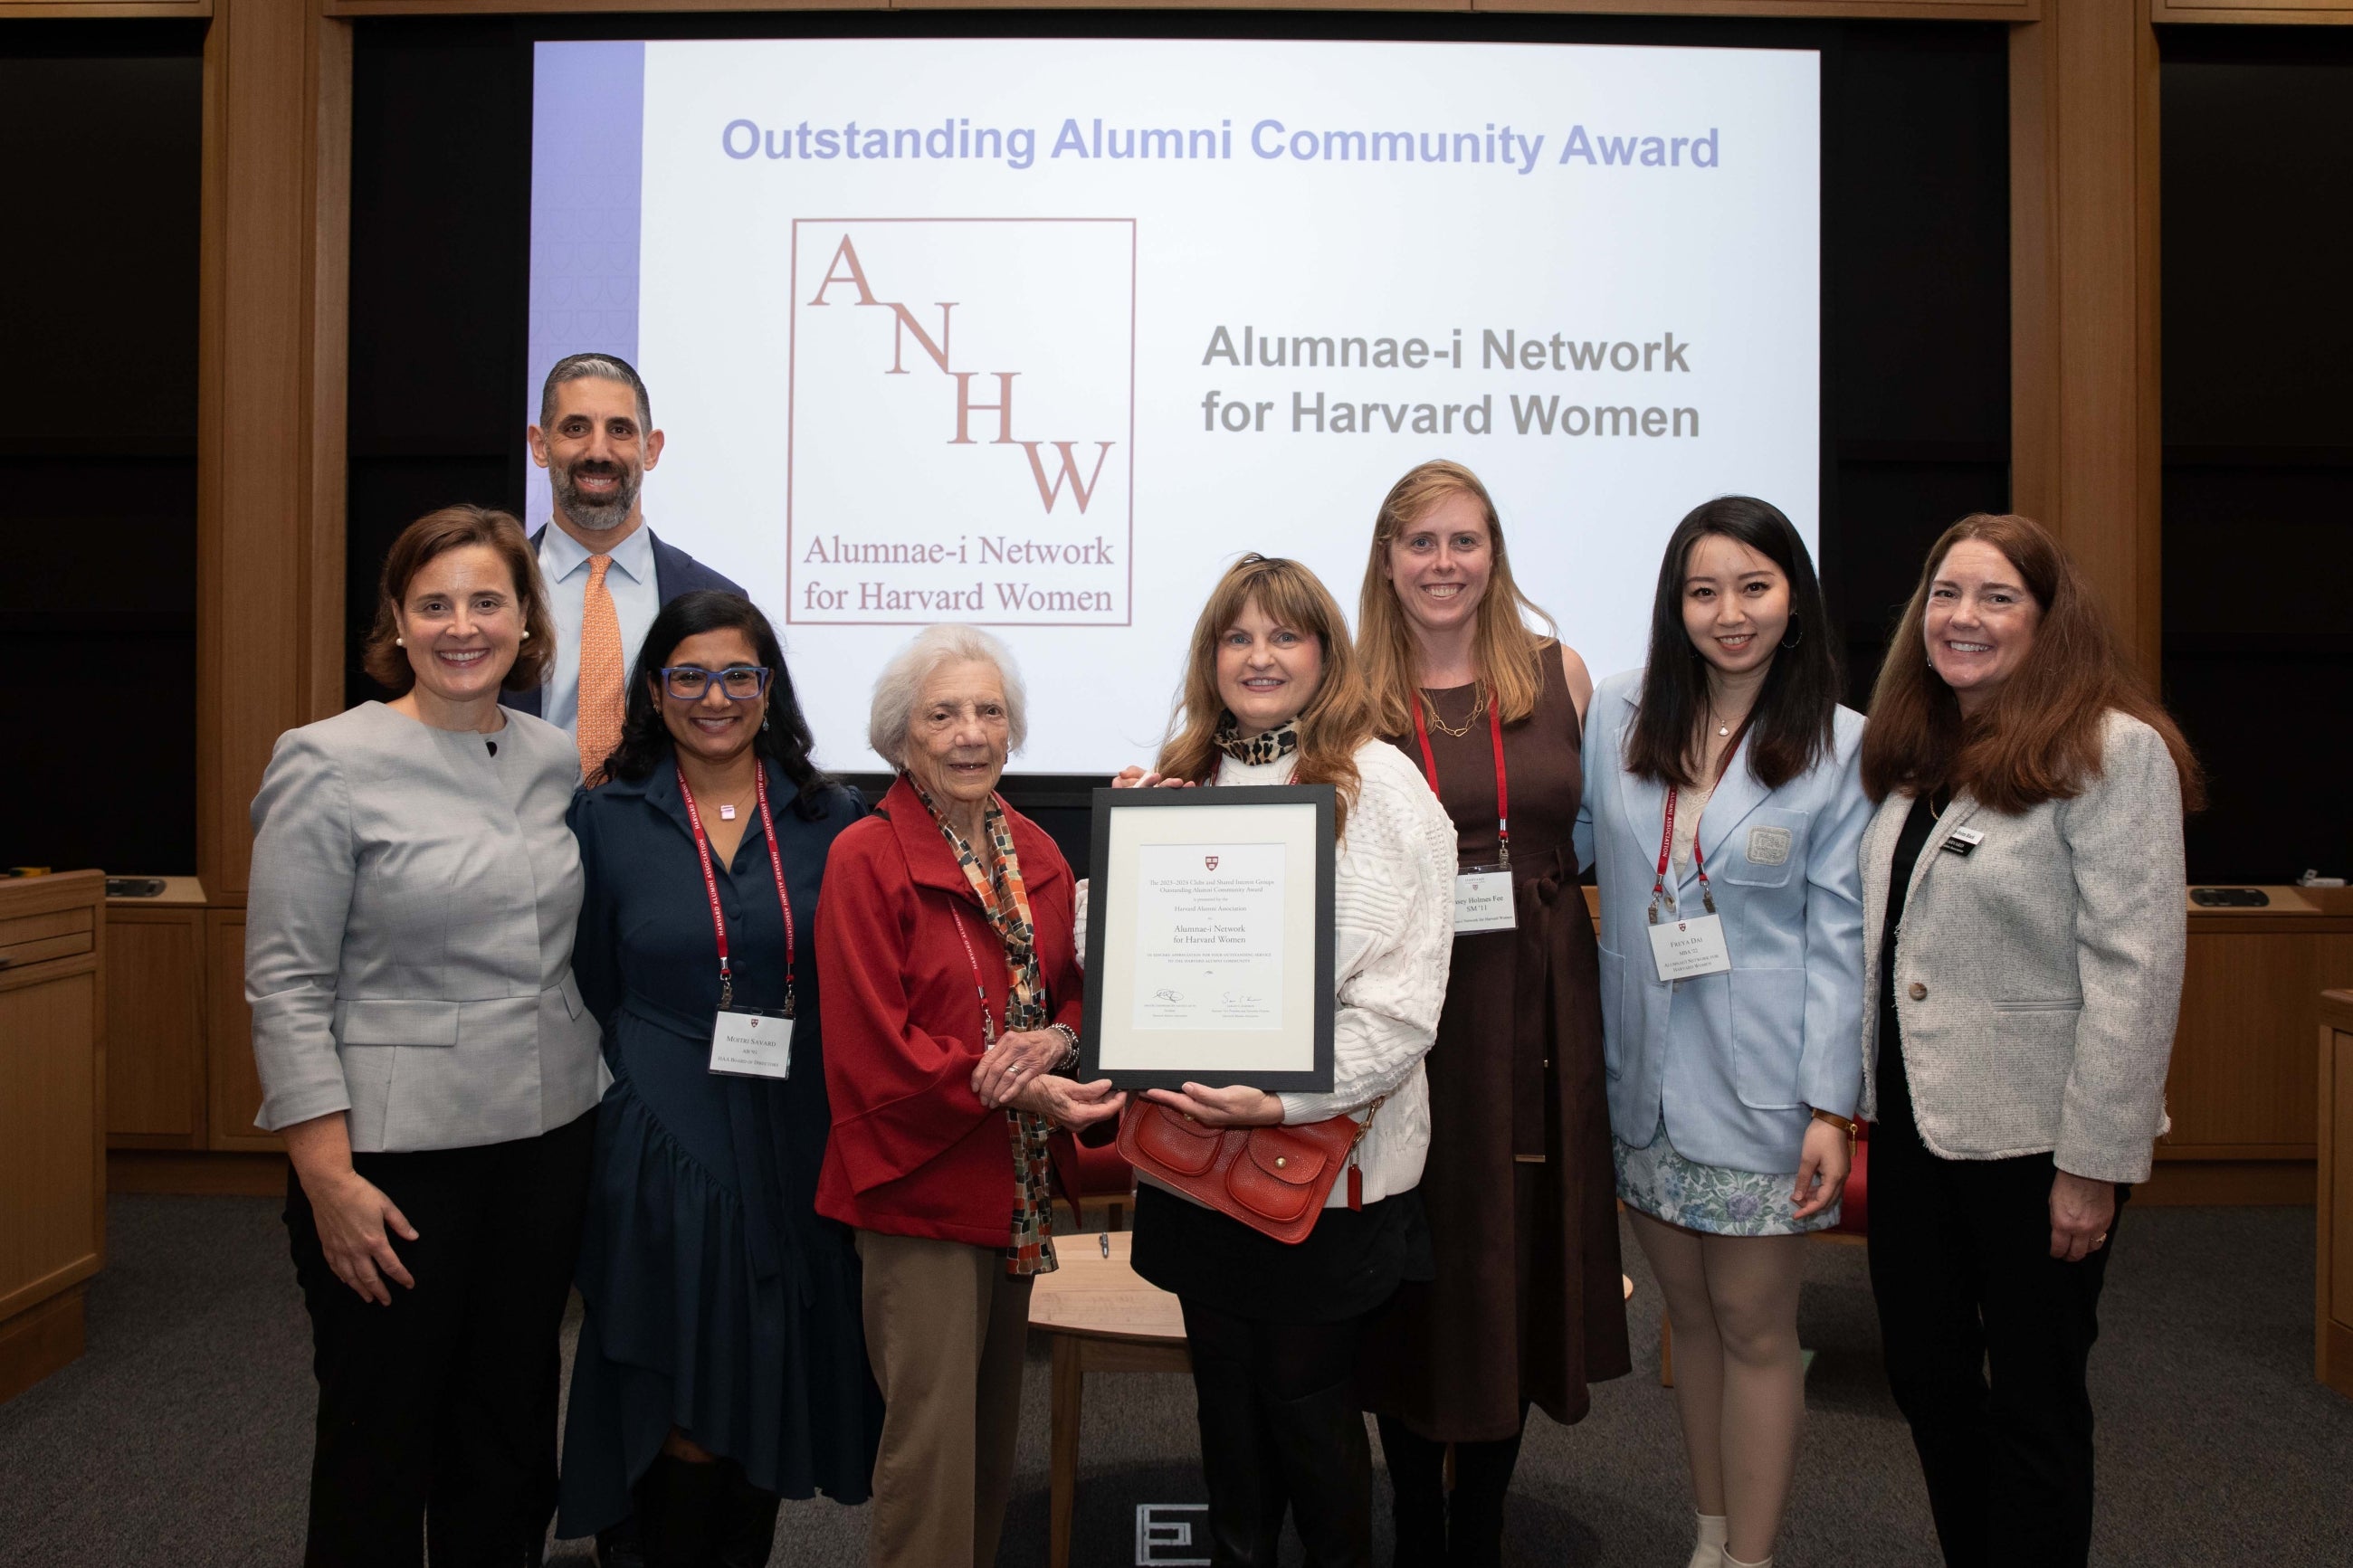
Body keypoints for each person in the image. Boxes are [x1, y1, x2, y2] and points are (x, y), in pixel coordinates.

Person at [246, 505, 603, 1566]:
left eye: (487, 600)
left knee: (505, 1438)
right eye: (434, 603)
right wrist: (325, 1177)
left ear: (524, 621)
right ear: (396, 622)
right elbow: (285, 980)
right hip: (390, 1165)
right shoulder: (326, 759)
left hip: (544, 1144)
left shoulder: (551, 759)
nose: (462, 624)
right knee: (378, 1441)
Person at [1856, 512, 2199, 1568]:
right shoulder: (1922, 751)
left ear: (2048, 620)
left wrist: (2094, 1165)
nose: (1961, 617)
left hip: (2039, 1141)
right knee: (1923, 1373)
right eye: (1945, 594)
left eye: (1995, 597)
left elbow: (2135, 968)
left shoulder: (2110, 750)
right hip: (1914, 1130)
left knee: (2037, 1403)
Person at [1112, 553, 1457, 1568]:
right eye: (1236, 634)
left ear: (1325, 652)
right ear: (1209, 654)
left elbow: (1403, 1009)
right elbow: (1112, 957)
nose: (1258, 655)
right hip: (1191, 1163)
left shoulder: (1385, 787)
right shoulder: (1180, 774)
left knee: (1308, 1412)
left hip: (1330, 1168)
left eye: (1283, 634)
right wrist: (1130, 841)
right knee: (1224, 1405)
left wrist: (1275, 1094)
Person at [556, 591, 881, 1566]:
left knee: (763, 1390)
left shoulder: (831, 817)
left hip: (790, 1139)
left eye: (738, 674)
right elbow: (590, 977)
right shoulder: (605, 817)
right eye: (688, 674)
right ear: (653, 691)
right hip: (662, 1146)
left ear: (767, 687)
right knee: (678, 1400)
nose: (714, 695)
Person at [1578, 496, 1870, 1568]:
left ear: (1792, 599)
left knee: (1754, 1330)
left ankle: (1749, 1556)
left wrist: (1833, 1104)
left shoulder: (1843, 747)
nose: (1728, 613)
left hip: (1765, 1094)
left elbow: (1842, 939)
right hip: (1640, 1081)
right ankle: (1710, 1533)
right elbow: (1552, 850)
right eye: (1703, 591)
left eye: (1753, 586)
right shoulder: (1615, 711)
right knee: (1686, 1319)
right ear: (1674, 603)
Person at [1350, 461, 1631, 1565]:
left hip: (1541, 1001)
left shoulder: (1556, 670)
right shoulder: (1352, 689)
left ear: (1493, 553)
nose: (1442, 563)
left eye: (1463, 541)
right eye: (1419, 542)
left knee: (1518, 1251)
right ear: (1385, 558)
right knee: (1417, 1248)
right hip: (1405, 1006)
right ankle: (1414, 1514)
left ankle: (1481, 1524)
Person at [814, 624, 1125, 1568]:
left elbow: (1076, 991)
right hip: (919, 1193)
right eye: (941, 712)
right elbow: (873, 1049)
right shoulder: (862, 857)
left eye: (989, 710)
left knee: (990, 1447)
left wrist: (1063, 1043)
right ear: (899, 736)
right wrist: (1014, 1088)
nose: (969, 731)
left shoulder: (1035, 848)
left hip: (1016, 1193)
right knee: (930, 1454)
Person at [510, 351, 745, 784]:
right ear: (540, 446)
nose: (598, 451)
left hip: (664, 843)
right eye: (576, 428)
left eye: (619, 430)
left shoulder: (717, 600)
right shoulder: (494, 592)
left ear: (650, 449)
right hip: (517, 842)